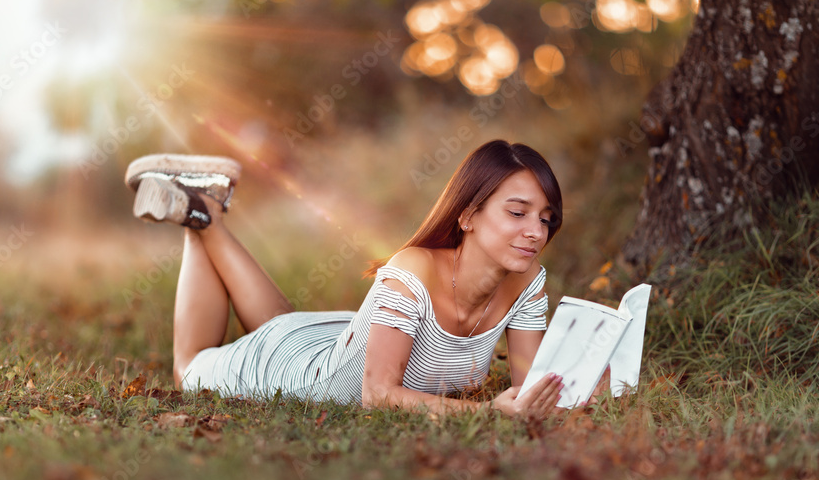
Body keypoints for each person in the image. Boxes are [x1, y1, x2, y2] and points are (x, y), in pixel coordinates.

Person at [124, 139, 576, 418]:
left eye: (545, 217)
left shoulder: (526, 279)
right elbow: (377, 395)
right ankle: (199, 216)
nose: (536, 232)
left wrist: (579, 383)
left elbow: (526, 386)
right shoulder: (413, 270)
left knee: (279, 321)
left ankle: (205, 204)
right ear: (469, 216)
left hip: (327, 340)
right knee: (189, 369)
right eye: (517, 213)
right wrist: (485, 414)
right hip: (297, 372)